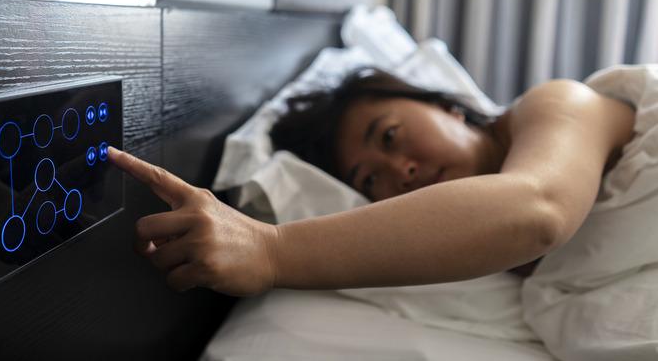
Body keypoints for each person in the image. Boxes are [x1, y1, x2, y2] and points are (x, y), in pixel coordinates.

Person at [107, 67, 635, 297]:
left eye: (389, 137)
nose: (400, 171)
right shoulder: (460, 247)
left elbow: (537, 211)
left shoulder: (558, 103)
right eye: (369, 178)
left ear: (445, 105)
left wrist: (272, 252)